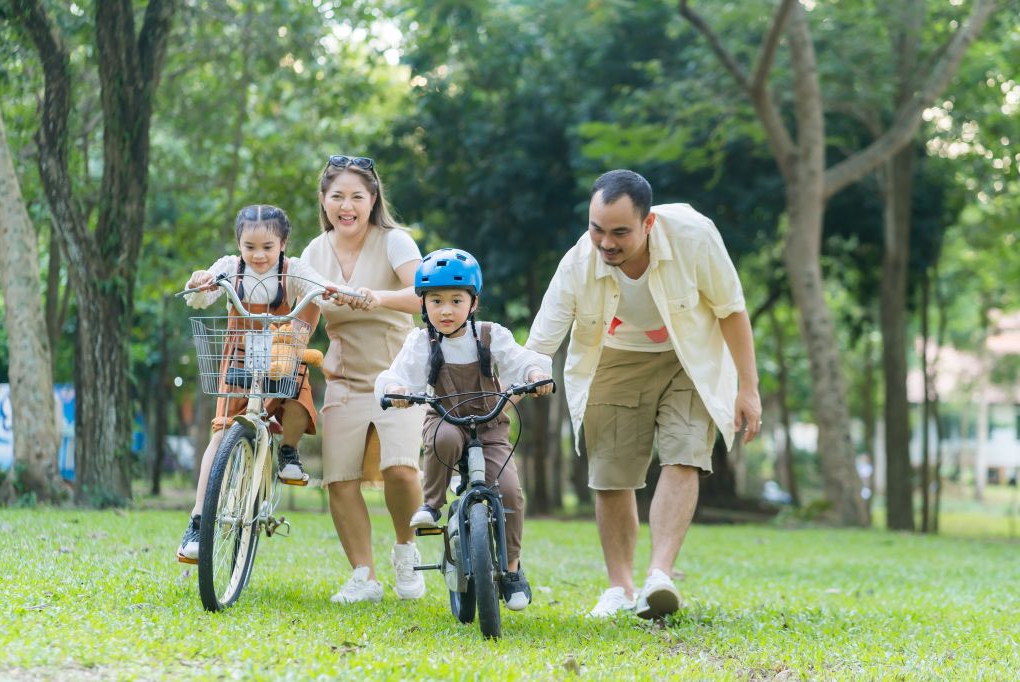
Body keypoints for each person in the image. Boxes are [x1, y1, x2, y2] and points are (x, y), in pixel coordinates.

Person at [525, 170, 762, 618]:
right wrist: (512, 390)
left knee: (685, 453)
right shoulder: (578, 263)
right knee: (612, 473)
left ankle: (659, 578)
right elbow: (540, 344)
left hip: (688, 354)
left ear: (647, 223)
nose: (606, 243)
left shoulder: (694, 236)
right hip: (614, 357)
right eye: (597, 229)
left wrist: (748, 388)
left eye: (619, 232)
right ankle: (620, 587)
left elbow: (731, 310)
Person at [375, 248, 554, 611]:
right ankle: (432, 504)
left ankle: (514, 569)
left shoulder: (491, 336)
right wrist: (397, 391)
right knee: (443, 439)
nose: (445, 310)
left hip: (491, 427)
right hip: (445, 418)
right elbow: (398, 375)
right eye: (435, 301)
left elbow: (522, 361)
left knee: (510, 492)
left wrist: (535, 376)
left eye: (456, 300)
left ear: (473, 303)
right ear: (423, 305)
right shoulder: (420, 342)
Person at [177, 204, 348, 563]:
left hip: (281, 355)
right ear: (238, 244)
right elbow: (201, 293)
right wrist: (199, 282)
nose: (258, 255)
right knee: (221, 433)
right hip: (238, 355)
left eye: (267, 247)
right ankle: (198, 518)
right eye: (249, 246)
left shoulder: (293, 269)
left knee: (298, 393)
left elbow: (316, 284)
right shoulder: (229, 266)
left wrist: (333, 291)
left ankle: (287, 449)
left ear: (283, 243)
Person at [299, 155, 429, 604]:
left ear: (373, 200)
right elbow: (306, 317)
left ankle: (406, 552)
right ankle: (363, 575)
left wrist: (378, 297)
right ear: (324, 200)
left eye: (357, 196)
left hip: (399, 375)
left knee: (400, 469)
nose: (346, 205)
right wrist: (285, 343)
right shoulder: (313, 254)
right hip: (345, 379)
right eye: (337, 196)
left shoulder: (395, 242)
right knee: (339, 478)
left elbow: (424, 296)